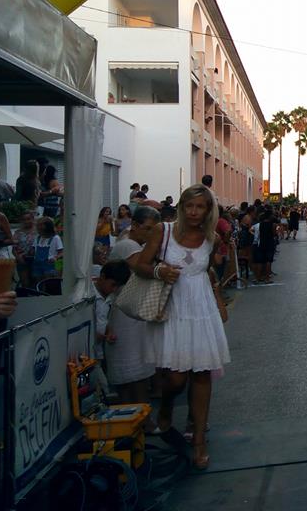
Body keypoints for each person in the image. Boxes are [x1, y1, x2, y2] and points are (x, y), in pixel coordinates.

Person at [136, 184, 230, 469]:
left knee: (202, 375)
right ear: (181, 206)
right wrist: (158, 270)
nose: (194, 211)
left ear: (208, 210)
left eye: (200, 206)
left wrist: (218, 298)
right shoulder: (162, 232)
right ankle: (166, 405)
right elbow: (140, 264)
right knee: (176, 378)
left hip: (200, 308)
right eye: (189, 205)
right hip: (172, 308)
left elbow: (206, 270)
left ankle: (198, 439)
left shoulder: (211, 237)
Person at [107, 206, 160, 409]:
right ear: (136, 225)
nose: (151, 235)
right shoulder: (129, 245)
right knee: (134, 369)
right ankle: (140, 417)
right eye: (148, 229)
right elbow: (145, 269)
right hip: (126, 313)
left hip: (130, 310)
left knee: (135, 370)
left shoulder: (130, 242)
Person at [71, 259, 130, 360]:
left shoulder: (111, 298)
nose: (114, 289)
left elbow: (104, 320)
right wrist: (92, 335)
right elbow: (75, 323)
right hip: (83, 353)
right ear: (102, 277)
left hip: (99, 352)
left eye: (118, 287)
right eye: (113, 284)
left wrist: (109, 331)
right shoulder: (85, 295)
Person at [32, 217, 62, 282]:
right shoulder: (37, 238)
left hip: (49, 265)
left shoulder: (55, 238)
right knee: (38, 282)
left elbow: (61, 252)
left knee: (48, 283)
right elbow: (33, 251)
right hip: (37, 264)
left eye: (40, 225)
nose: (38, 228)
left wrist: (55, 257)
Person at [12, 210, 36, 287]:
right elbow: (13, 249)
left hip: (36, 260)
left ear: (32, 219)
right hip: (22, 260)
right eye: (24, 219)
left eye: (28, 219)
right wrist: (18, 258)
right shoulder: (17, 233)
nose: (26, 221)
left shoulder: (38, 231)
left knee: (36, 282)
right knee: (25, 283)